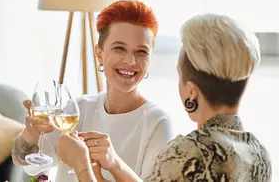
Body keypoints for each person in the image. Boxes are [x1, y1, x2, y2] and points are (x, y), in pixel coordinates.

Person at [58, 14, 273, 182]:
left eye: (179, 74)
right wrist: (114, 164)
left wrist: (82, 166)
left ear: (191, 91)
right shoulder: (260, 154)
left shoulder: (189, 153)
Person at [11, 0, 174, 181]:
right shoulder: (78, 109)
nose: (130, 61)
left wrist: (114, 163)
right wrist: (31, 134)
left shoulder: (157, 122)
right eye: (119, 48)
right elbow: (22, 160)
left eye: (141, 52)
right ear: (99, 55)